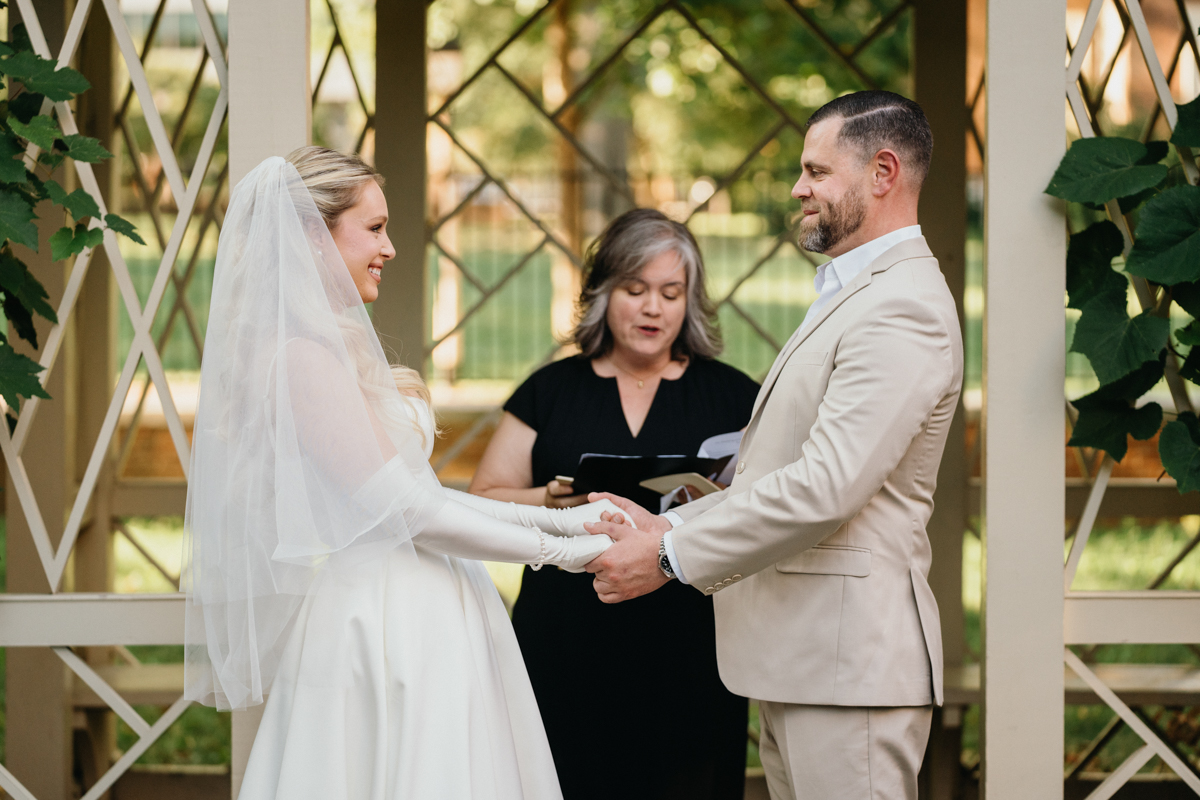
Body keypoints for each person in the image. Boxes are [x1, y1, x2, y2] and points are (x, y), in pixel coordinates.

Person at [182, 146, 631, 799]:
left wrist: (564, 516)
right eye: (374, 228)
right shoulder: (300, 359)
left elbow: (419, 496)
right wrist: (562, 552)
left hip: (423, 605)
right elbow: (410, 514)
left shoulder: (326, 345)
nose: (390, 247)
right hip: (384, 624)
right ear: (312, 235)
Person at [584, 91, 964, 800]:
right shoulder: (856, 292)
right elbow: (779, 469)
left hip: (850, 672)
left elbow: (826, 487)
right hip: (804, 662)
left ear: (882, 173)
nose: (799, 188)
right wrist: (670, 522)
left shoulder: (902, 306)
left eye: (817, 171)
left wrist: (668, 556)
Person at [470, 208, 759, 800]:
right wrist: (547, 498)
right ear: (603, 295)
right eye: (635, 289)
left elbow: (763, 503)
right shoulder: (550, 391)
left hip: (688, 639)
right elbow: (484, 500)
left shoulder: (734, 396)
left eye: (671, 293)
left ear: (690, 302)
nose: (654, 308)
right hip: (565, 639)